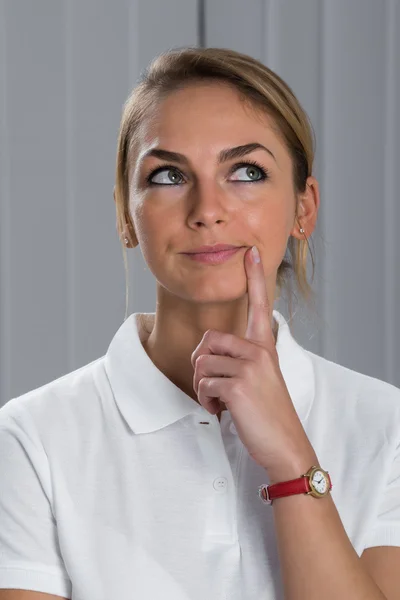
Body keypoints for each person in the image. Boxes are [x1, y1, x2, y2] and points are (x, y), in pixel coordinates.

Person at [0, 46, 399, 600]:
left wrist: (291, 459)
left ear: (304, 208)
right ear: (125, 214)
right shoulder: (29, 438)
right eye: (168, 175)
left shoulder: (388, 426)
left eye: (247, 171)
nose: (207, 208)